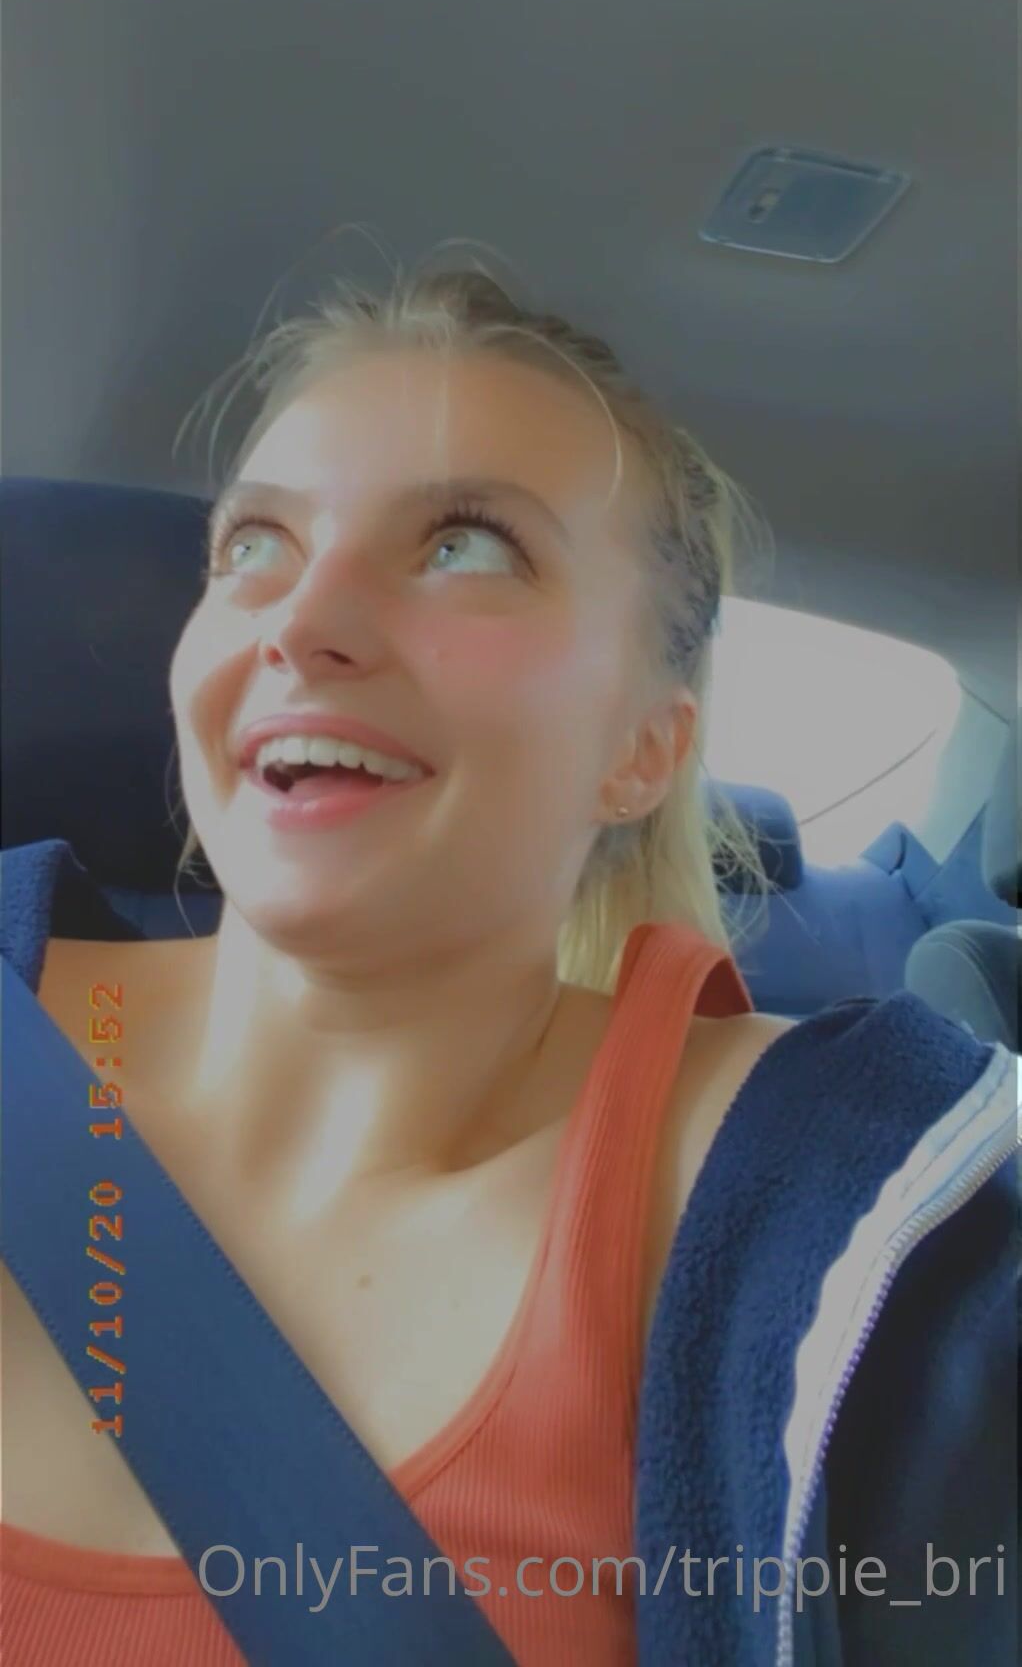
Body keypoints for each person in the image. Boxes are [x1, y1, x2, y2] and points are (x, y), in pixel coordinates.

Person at [1, 261, 1018, 1667]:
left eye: (466, 547)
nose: (301, 622)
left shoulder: (863, 1207)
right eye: (255, 546)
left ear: (643, 749)